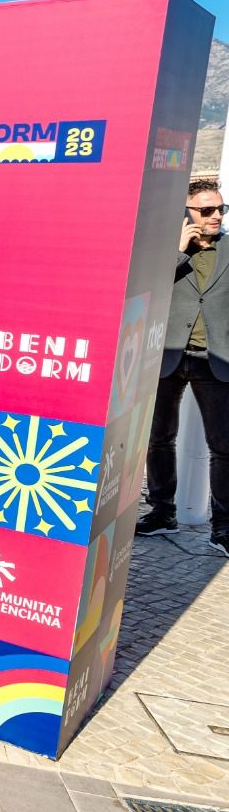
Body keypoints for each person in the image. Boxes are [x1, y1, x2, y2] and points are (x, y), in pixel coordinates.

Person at [137, 177, 229, 556]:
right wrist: (176, 250)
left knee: (223, 447)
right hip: (168, 355)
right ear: (186, 213)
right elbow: (146, 286)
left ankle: (222, 528)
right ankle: (162, 512)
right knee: (159, 438)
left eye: (220, 209)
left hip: (216, 360)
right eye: (205, 210)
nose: (215, 216)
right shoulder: (164, 250)